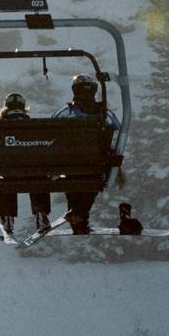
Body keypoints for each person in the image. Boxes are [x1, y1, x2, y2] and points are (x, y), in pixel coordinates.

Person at [53, 74, 121, 234]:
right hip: (96, 164)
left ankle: (77, 215)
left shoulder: (64, 114)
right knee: (92, 181)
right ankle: (79, 216)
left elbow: (51, 137)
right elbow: (118, 134)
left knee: (74, 180)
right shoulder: (105, 115)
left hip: (69, 165)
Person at [0, 93, 53, 235]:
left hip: (10, 173)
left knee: (6, 178)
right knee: (39, 175)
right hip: (33, 171)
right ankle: (41, 213)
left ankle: (7, 216)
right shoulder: (35, 127)